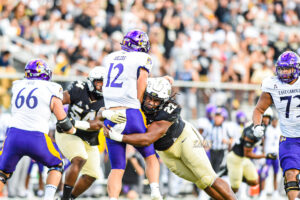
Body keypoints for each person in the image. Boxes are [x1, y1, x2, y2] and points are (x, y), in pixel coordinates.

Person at [106, 77, 237, 200]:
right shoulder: (140, 96)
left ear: (163, 101)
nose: (151, 102)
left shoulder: (170, 108)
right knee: (202, 182)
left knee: (208, 177)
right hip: (165, 151)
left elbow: (148, 139)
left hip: (183, 140)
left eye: (156, 100)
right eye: (149, 98)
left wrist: (119, 137)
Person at [0, 59, 76, 200]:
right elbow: (62, 119)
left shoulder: (18, 85)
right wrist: (72, 130)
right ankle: (48, 198)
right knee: (57, 165)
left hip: (13, 135)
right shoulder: (51, 88)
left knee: (2, 172)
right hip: (36, 136)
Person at [102, 29, 162, 200]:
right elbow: (142, 79)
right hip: (130, 112)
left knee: (117, 168)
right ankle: (155, 191)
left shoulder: (110, 57)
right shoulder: (142, 58)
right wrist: (140, 102)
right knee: (150, 156)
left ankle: (113, 198)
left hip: (110, 114)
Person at [55, 66, 125, 200]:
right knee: (79, 158)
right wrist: (62, 119)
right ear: (91, 82)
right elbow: (57, 101)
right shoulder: (78, 89)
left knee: (93, 174)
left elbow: (98, 124)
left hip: (88, 137)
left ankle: (70, 198)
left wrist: (73, 122)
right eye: (100, 82)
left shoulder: (108, 100)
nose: (103, 86)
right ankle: (64, 198)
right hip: (69, 133)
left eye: (106, 83)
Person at [252, 51, 300, 200]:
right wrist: (257, 125)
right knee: (290, 173)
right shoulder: (272, 84)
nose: (285, 72)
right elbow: (259, 109)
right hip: (289, 138)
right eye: (282, 69)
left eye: (288, 69)